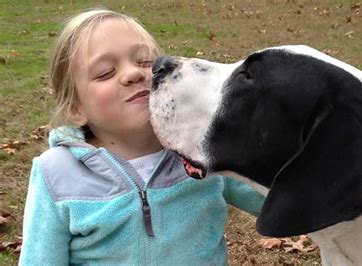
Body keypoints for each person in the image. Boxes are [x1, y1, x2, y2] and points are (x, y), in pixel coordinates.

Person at [19, 8, 265, 265]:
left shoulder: (202, 148)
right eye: (105, 72)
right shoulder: (56, 173)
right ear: (76, 109)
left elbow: (277, 198)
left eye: (145, 62)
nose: (133, 74)